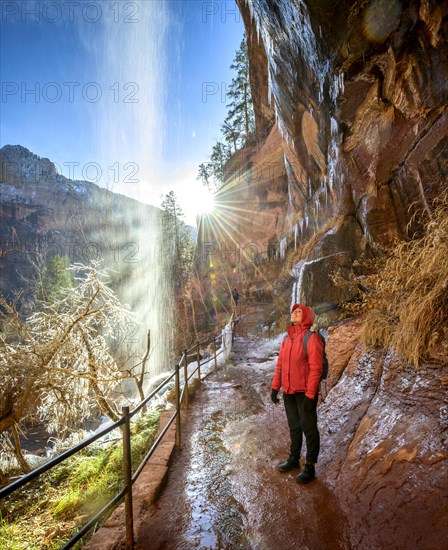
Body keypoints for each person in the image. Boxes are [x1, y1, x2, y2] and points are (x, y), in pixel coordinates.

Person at [271, 303, 323, 483]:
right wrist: (275, 387)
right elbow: (280, 365)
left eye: (300, 311)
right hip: (289, 391)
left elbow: (316, 369)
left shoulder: (311, 338)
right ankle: (294, 459)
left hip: (304, 392)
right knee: (294, 426)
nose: (295, 312)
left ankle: (310, 466)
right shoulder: (287, 339)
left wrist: (310, 395)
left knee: (309, 428)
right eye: (294, 310)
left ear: (307, 317)